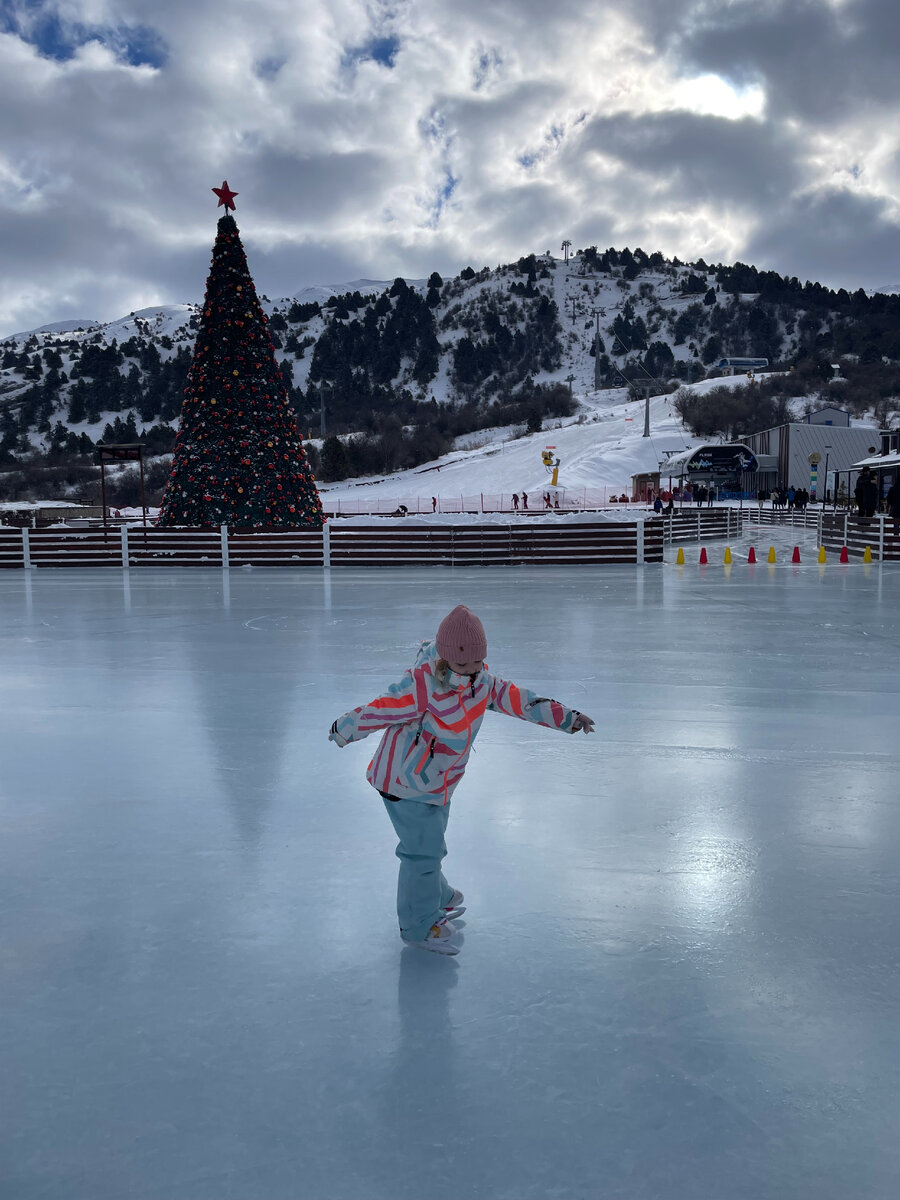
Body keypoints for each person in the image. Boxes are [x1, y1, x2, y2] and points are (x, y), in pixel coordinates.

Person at [328, 606, 595, 955]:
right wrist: (345, 728)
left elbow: (523, 702)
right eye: (463, 664)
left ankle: (437, 895)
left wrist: (567, 718)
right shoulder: (423, 686)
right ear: (445, 657)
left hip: (436, 782)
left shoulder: (481, 683)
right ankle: (418, 925)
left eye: (477, 663)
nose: (471, 671)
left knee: (430, 845)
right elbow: (383, 707)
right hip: (404, 783)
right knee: (421, 855)